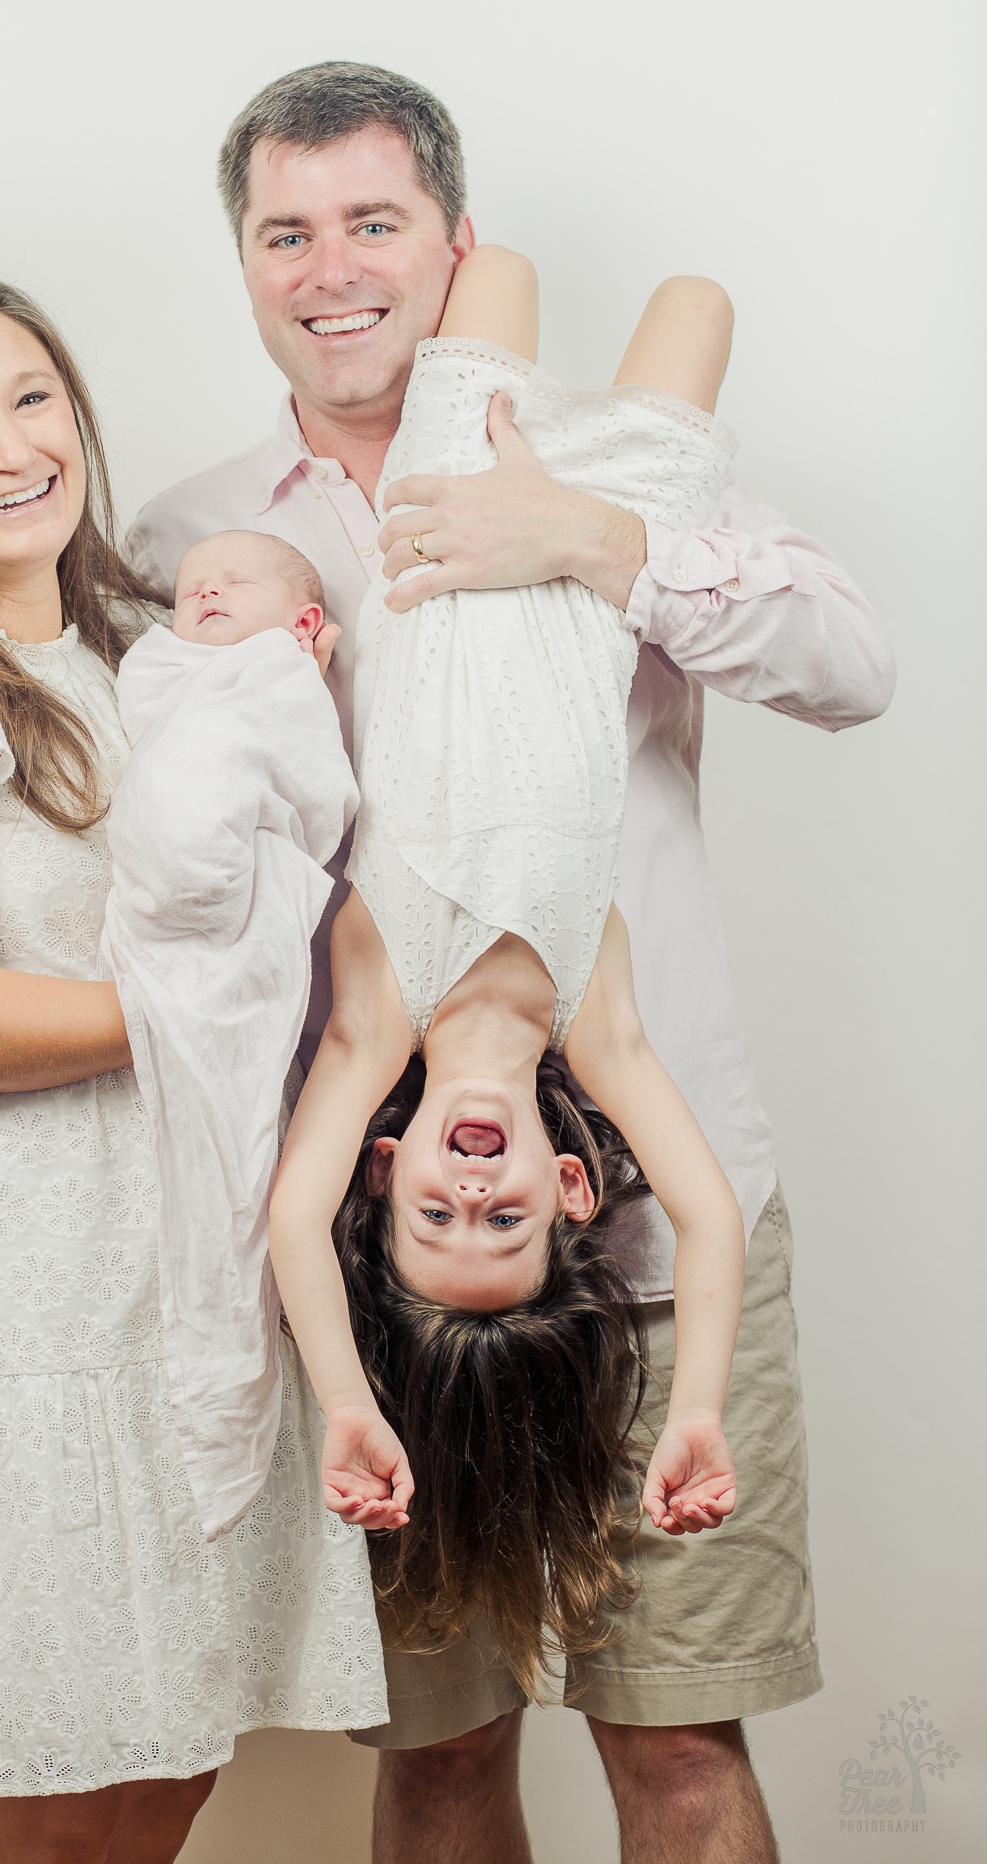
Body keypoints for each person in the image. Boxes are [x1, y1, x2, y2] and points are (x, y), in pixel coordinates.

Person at [125, 62, 896, 1864]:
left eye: (375, 224)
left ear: (453, 250)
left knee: (680, 1748)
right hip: (393, 1285)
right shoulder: (193, 541)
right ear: (243, 261)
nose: (331, 270)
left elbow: (854, 668)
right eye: (286, 233)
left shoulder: (603, 473)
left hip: (651, 1237)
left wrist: (588, 544)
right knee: (444, 1753)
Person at [0, 268, 386, 1864]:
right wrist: (228, 1003)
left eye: (31, 396)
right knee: (41, 1783)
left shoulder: (144, 650)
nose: (12, 444)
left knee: (164, 1752)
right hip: (12, 1293)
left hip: (168, 1257)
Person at [268, 245, 748, 1698]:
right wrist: (696, 1413)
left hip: (453, 514)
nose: (475, 1196)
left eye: (437, 1217)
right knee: (698, 303)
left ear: (391, 1163)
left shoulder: (374, 1020)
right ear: (573, 1190)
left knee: (511, 273)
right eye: (508, 1224)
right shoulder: (595, 1027)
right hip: (598, 550)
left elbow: (295, 1226)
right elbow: (713, 1223)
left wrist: (355, 1407)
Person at [102, 531, 356, 1541]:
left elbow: (305, 779)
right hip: (164, 914)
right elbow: (150, 739)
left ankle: (229, 1422)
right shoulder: (164, 672)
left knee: (238, 1175)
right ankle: (215, 1429)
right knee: (212, 1184)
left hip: (228, 895)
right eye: (193, 583)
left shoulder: (275, 680)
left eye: (234, 580)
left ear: (302, 627)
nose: (204, 587)